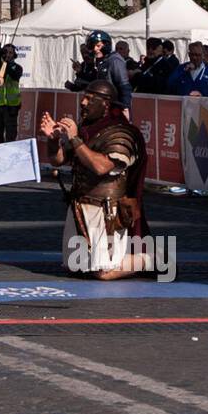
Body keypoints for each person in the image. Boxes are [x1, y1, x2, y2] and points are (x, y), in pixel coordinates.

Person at [40, 79, 151, 280]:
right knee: (75, 267)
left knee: (103, 272)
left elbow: (101, 167)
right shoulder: (88, 129)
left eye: (90, 99)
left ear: (106, 104)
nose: (83, 103)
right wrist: (53, 139)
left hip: (107, 211)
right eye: (84, 98)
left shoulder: (123, 132)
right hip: (80, 207)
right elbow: (58, 160)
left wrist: (75, 139)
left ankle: (151, 259)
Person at [0, 43, 24, 144]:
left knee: (11, 135)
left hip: (11, 105)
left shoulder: (17, 67)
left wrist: (6, 63)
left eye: (10, 52)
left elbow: (15, 75)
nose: (8, 54)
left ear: (14, 55)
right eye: (5, 52)